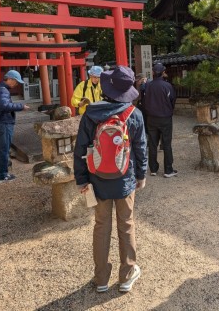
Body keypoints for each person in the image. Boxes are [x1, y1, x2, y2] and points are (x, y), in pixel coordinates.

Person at [74, 65, 148, 293]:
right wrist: (141, 175)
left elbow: (80, 149)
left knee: (101, 225)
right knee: (126, 224)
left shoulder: (90, 114)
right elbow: (141, 148)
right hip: (125, 177)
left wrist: (81, 179)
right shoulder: (134, 114)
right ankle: (126, 275)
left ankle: (101, 279)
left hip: (97, 179)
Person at [0, 70, 30, 184]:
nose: (16, 84)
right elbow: (4, 105)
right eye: (16, 82)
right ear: (10, 79)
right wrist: (21, 106)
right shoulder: (3, 91)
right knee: (3, 150)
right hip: (4, 123)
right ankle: (1, 176)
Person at [143, 62, 177, 178]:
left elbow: (144, 102)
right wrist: (169, 111)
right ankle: (168, 170)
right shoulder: (167, 86)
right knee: (166, 143)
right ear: (163, 72)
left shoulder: (148, 86)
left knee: (152, 144)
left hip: (151, 118)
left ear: (153, 73)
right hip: (165, 118)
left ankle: (153, 169)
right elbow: (172, 101)